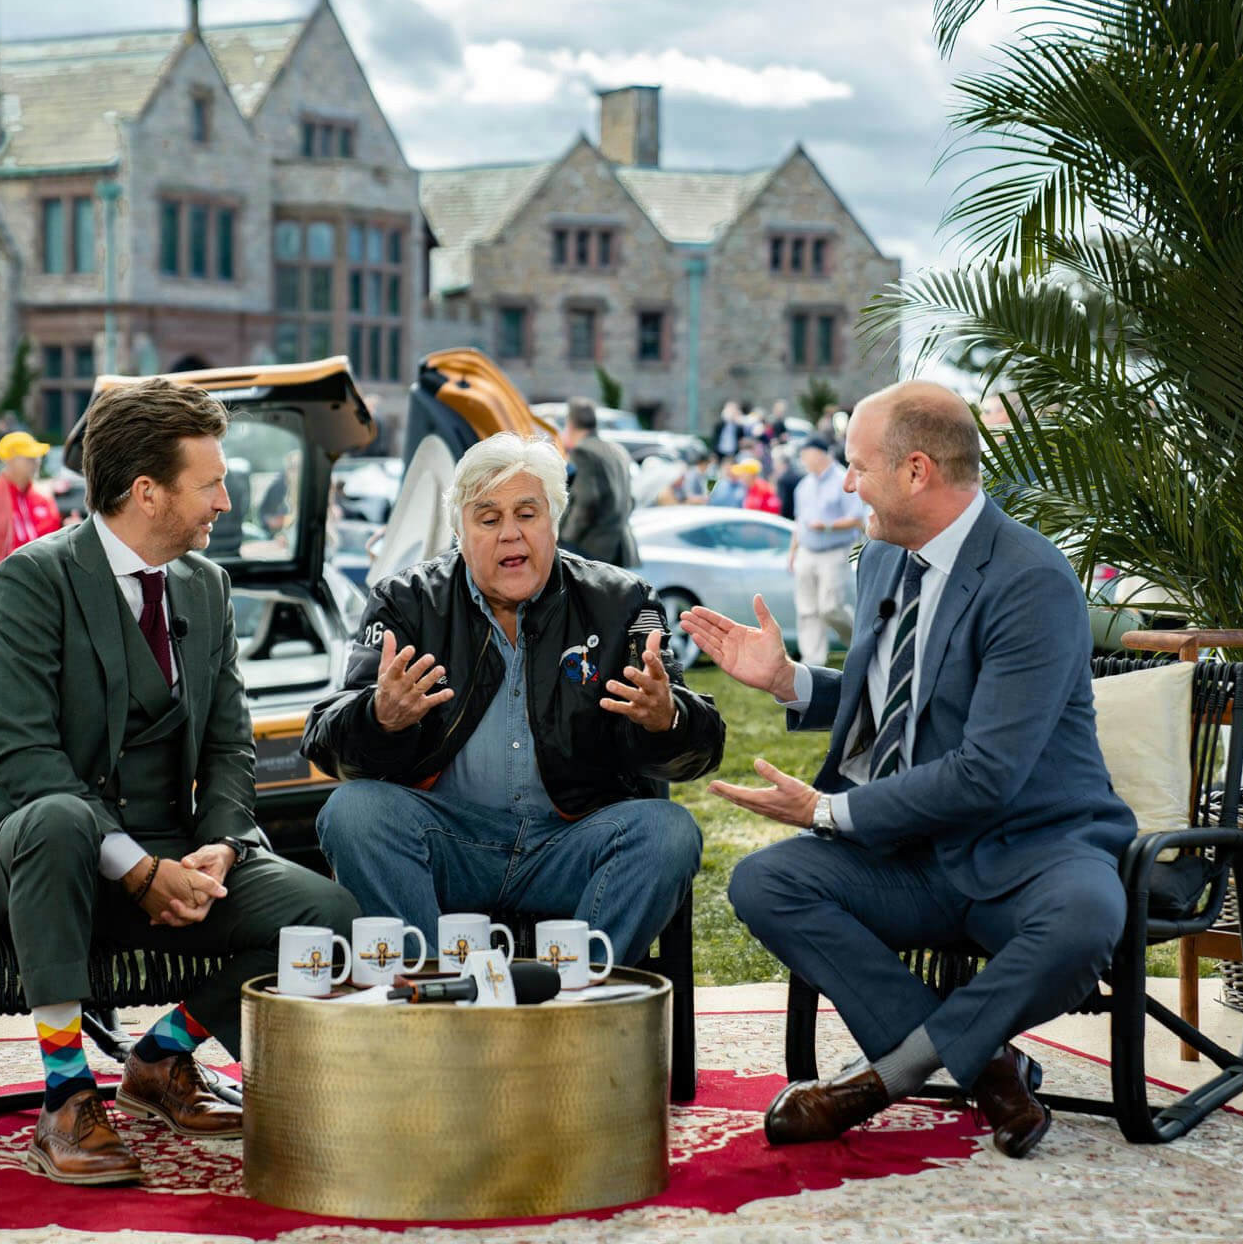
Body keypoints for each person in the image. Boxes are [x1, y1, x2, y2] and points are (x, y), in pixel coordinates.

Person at [681, 381, 1130, 1162]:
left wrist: (827, 812)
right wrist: (791, 681)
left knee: (1085, 920)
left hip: (1029, 848)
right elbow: (893, 702)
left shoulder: (1031, 580)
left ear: (915, 470)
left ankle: (878, 1081)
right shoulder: (883, 559)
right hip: (913, 855)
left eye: (856, 466)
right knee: (764, 883)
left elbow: (988, 772)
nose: (844, 483)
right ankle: (991, 1071)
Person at [0, 376, 356, 1186]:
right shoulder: (32, 579)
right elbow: (26, 757)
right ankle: (67, 1100)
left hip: (176, 849)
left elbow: (227, 745)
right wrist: (135, 870)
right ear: (147, 492)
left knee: (329, 914)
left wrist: (218, 844)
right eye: (210, 485)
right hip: (37, 857)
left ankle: (160, 1058)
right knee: (62, 816)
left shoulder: (208, 589)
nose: (223, 504)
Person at [303, 431, 722, 970]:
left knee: (667, 831)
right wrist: (379, 717)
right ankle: (436, 1002)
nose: (510, 534)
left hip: (573, 840)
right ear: (459, 531)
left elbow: (702, 746)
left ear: (554, 522)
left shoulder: (625, 602)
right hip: (450, 842)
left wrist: (668, 719)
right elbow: (326, 738)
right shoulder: (404, 602)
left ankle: (576, 1003)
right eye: (488, 518)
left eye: (527, 513)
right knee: (354, 813)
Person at [787, 435, 864, 666]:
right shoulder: (804, 485)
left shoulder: (843, 479)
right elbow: (799, 522)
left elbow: (858, 519)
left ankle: (859, 643)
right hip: (807, 552)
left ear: (819, 453)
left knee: (830, 607)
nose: (803, 460)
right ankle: (812, 662)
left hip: (834, 551)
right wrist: (793, 552)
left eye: (805, 455)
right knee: (807, 609)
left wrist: (828, 525)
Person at [0, 430, 62, 582]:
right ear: (9, 460)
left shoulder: (43, 498)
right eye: (29, 457)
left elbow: (56, 539)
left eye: (36, 457)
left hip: (45, 584)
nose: (36, 461)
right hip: (8, 587)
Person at [555, 396, 638, 566]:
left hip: (591, 549)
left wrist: (565, 540)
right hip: (621, 549)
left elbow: (587, 502)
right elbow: (631, 500)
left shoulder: (582, 452)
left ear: (569, 424)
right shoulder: (618, 450)